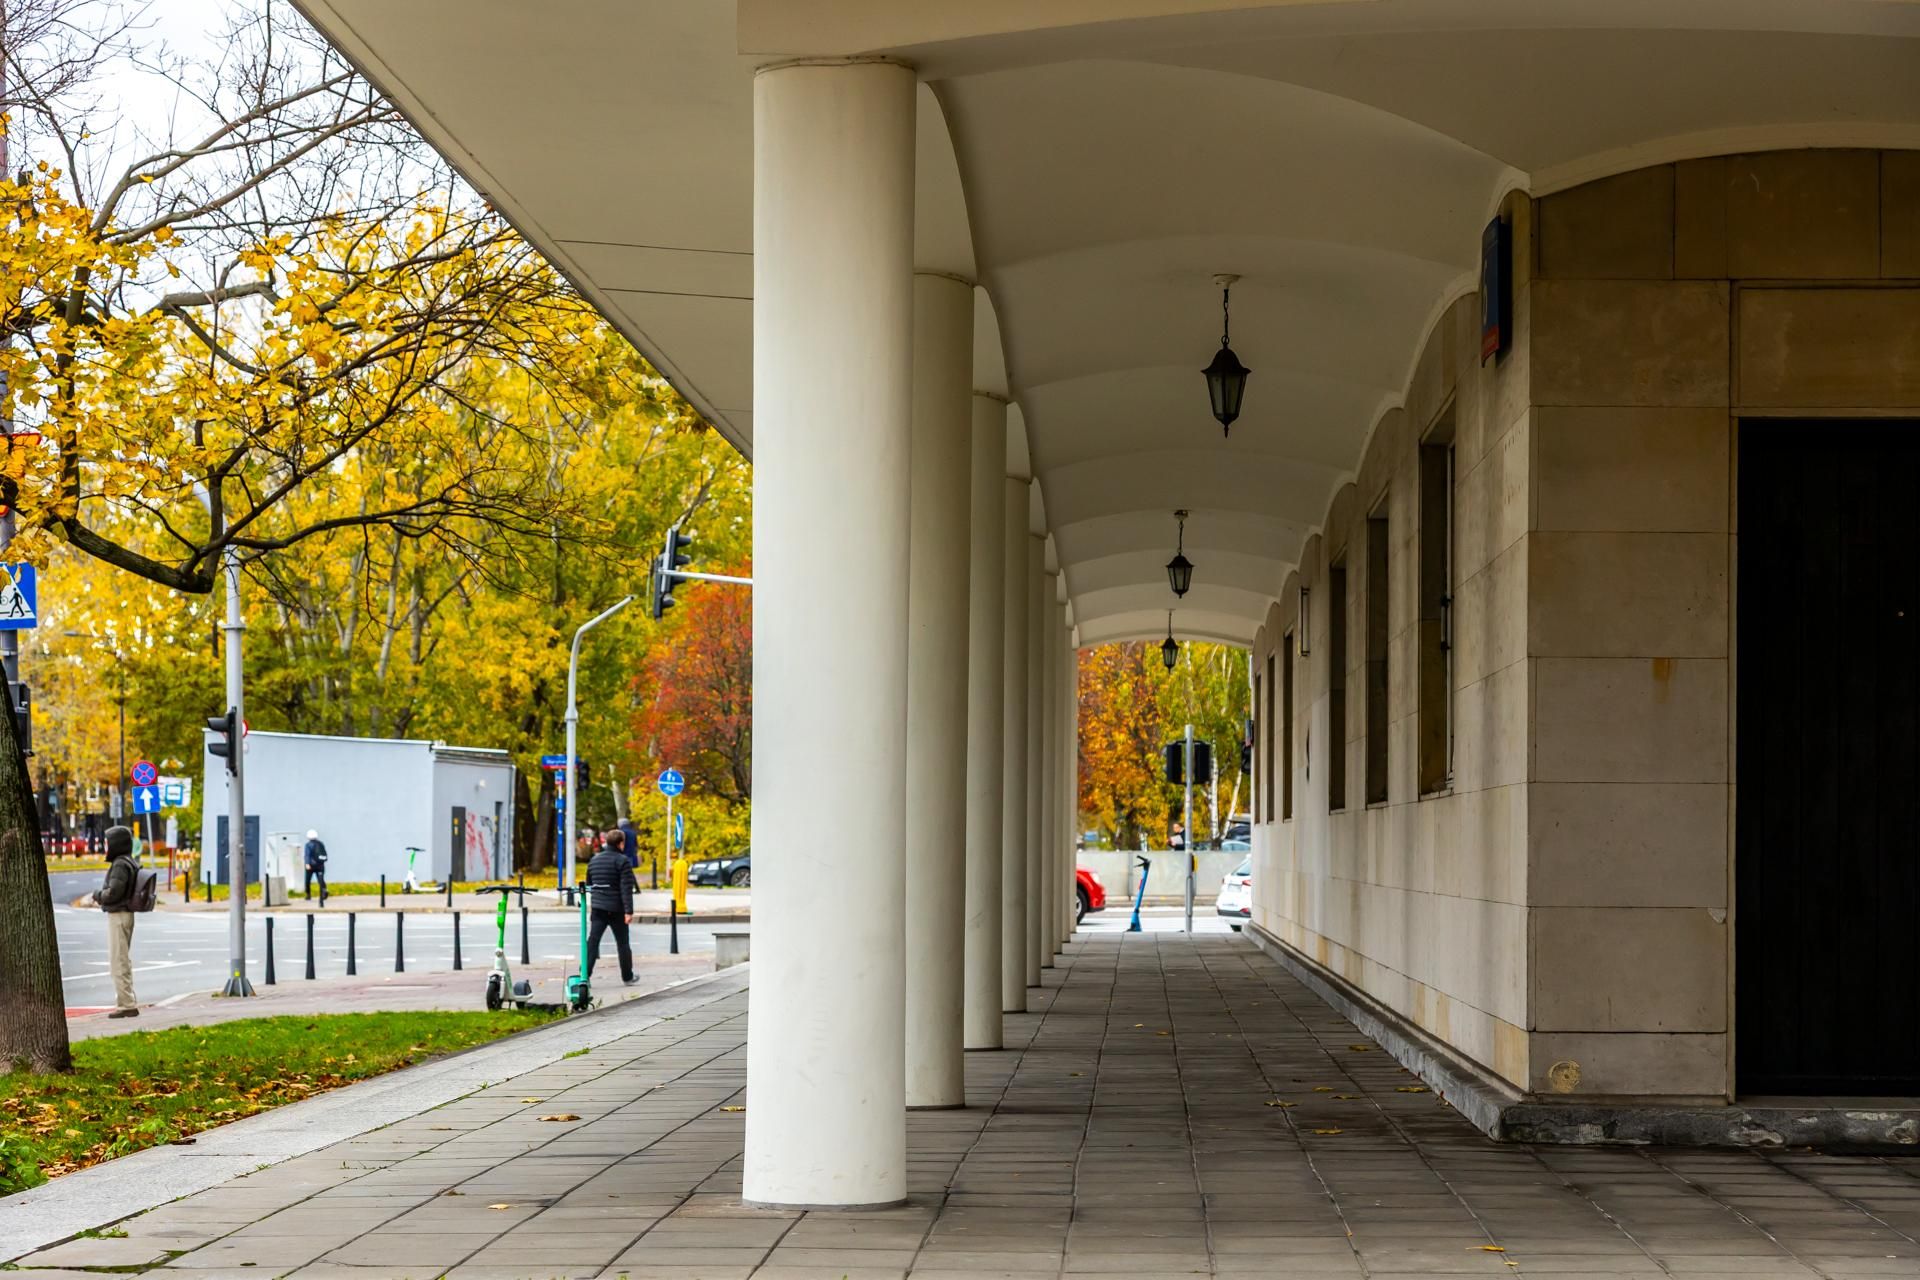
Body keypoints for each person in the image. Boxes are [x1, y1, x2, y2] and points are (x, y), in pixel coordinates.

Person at [96, 825, 141, 1018]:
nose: (106, 846)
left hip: (119, 915)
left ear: (116, 844)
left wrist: (98, 895)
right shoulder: (128, 861)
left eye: (108, 842)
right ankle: (127, 1000)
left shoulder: (120, 865)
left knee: (118, 961)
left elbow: (113, 892)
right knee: (122, 959)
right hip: (125, 914)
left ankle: (126, 1004)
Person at [585, 828, 636, 985]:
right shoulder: (622, 861)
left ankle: (584, 976)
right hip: (617, 909)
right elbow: (626, 888)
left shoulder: (594, 860)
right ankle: (627, 976)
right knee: (622, 944)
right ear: (621, 843)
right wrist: (628, 911)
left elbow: (589, 883)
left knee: (593, 942)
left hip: (598, 908)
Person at [303, 829, 329, 904]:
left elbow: (307, 855)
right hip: (320, 864)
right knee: (320, 879)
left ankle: (308, 894)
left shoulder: (308, 845)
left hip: (311, 865)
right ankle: (324, 891)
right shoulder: (321, 843)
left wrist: (307, 864)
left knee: (308, 880)